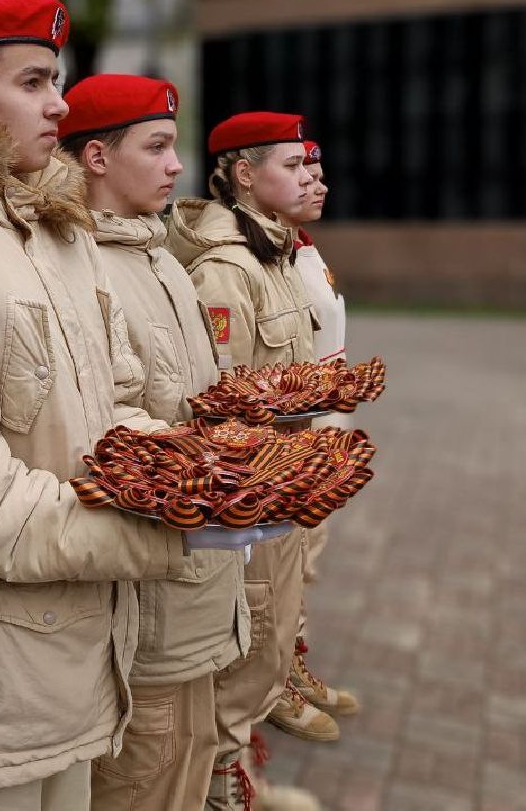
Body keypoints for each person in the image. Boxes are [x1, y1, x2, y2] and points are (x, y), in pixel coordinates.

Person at [0, 0, 224, 810]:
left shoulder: (55, 230)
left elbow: (121, 400)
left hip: (88, 638)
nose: (60, 104)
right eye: (33, 82)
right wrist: (161, 537)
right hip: (0, 670)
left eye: (56, 80)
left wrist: (195, 476)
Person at [58, 73, 250, 811]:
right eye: (158, 146)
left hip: (205, 575)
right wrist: (224, 466)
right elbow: (112, 428)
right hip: (155, 592)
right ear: (97, 157)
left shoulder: (161, 255)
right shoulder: (83, 268)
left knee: (191, 753)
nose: (177, 165)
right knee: (147, 771)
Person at [164, 112, 326, 810]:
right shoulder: (228, 271)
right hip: (252, 494)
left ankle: (238, 776)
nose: (307, 176)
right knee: (245, 651)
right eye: (289, 165)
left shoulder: (277, 255)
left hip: (286, 482)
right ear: (243, 175)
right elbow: (217, 399)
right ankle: (220, 790)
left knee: (271, 641)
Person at [273, 138, 361, 734]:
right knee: (280, 567)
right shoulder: (260, 258)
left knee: (305, 564)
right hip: (290, 437)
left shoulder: (300, 249)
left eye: (318, 169)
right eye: (298, 167)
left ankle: (291, 667)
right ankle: (275, 683)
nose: (315, 181)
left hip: (323, 430)